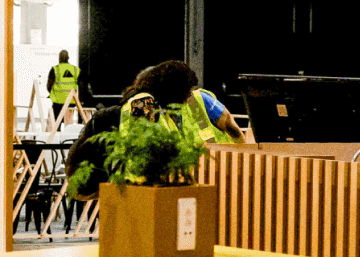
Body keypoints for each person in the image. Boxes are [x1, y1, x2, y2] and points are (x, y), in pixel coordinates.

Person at [66, 60, 243, 198]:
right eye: (186, 91)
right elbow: (145, 147)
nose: (189, 97)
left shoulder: (161, 109)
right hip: (135, 187)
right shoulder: (143, 101)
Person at [120, 60, 244, 144]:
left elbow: (232, 128)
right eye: (187, 91)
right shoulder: (144, 102)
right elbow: (149, 146)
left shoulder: (196, 100)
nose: (190, 94)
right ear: (175, 90)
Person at [48, 49, 91, 120]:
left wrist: (52, 94)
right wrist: (80, 100)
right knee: (68, 121)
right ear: (68, 58)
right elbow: (81, 87)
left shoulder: (55, 69)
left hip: (57, 102)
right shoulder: (75, 70)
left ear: (59, 58)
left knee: (56, 122)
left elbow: (49, 86)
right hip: (71, 101)